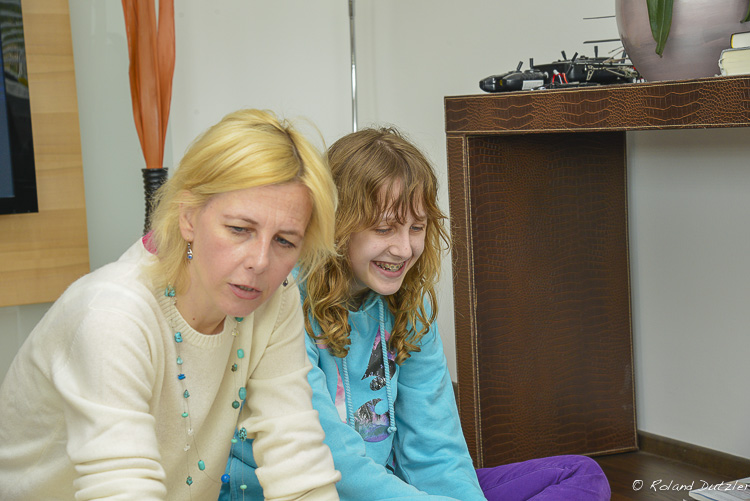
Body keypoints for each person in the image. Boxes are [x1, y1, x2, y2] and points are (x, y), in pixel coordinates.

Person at [221, 126, 611, 501]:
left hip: (393, 488)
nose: (405, 249)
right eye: (385, 229)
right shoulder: (285, 301)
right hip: (310, 491)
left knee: (581, 475)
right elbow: (331, 465)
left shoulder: (411, 305)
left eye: (417, 227)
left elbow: (436, 448)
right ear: (338, 224)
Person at [0, 109, 342, 500]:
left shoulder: (276, 297)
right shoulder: (112, 316)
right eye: (239, 229)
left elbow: (296, 457)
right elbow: (122, 492)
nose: (261, 262)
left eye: (284, 241)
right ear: (188, 216)